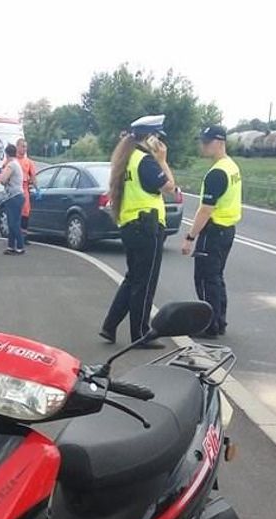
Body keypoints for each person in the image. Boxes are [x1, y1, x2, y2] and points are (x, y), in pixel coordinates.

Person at [99, 115, 179, 347]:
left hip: (130, 225)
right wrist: (163, 160)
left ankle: (110, 325)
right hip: (147, 226)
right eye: (158, 138)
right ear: (151, 138)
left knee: (132, 279)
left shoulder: (126, 158)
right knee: (145, 282)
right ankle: (141, 333)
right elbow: (170, 188)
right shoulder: (146, 161)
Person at [181, 125, 241, 338]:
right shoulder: (231, 166)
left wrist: (190, 237)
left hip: (214, 231)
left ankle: (209, 325)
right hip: (228, 229)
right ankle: (219, 320)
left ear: (219, 142)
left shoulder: (217, 173)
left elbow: (205, 210)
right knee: (216, 277)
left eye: (206, 142)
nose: (203, 146)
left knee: (206, 279)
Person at [0, 144, 26, 255]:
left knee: (13, 223)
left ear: (7, 154)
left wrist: (3, 170)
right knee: (13, 222)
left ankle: (19, 246)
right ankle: (11, 246)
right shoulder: (16, 164)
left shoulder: (11, 165)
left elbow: (2, 179)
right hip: (18, 196)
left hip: (13, 197)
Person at [15, 138, 38, 236]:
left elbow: (33, 177)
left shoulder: (28, 162)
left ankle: (23, 236)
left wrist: (38, 189)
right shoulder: (12, 161)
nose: (25, 149)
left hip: (24, 189)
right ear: (17, 147)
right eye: (23, 146)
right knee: (15, 213)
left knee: (25, 212)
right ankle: (15, 236)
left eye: (26, 147)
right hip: (14, 190)